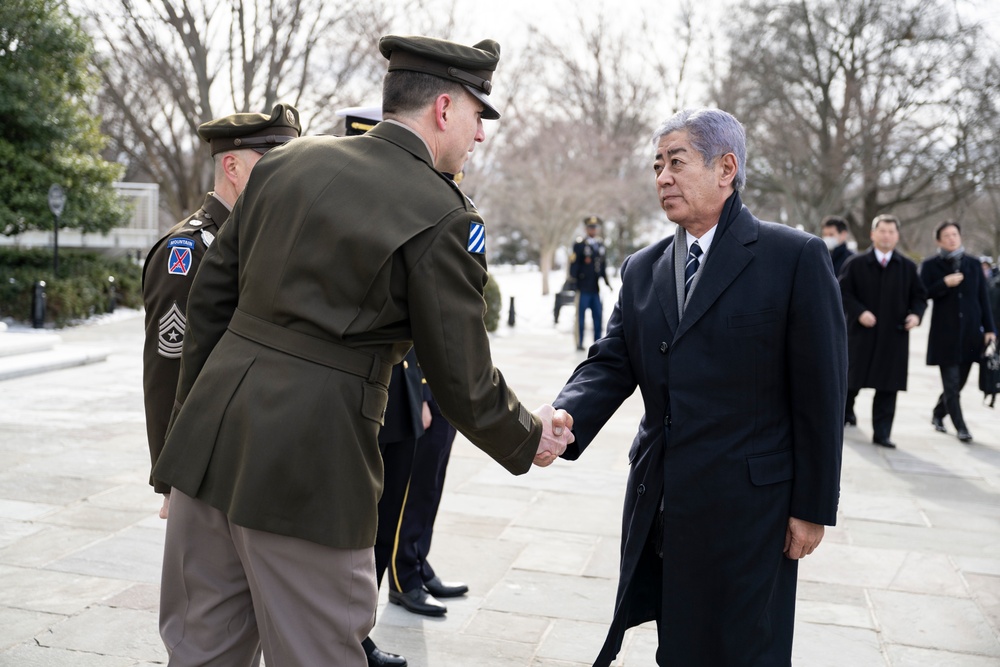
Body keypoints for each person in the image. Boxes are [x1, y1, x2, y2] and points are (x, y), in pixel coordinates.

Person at [151, 34, 572, 667]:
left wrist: (192, 430)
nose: (480, 136)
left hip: (210, 450)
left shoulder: (286, 166)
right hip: (310, 468)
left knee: (201, 653)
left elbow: (212, 301)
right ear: (445, 109)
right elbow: (461, 376)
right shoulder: (443, 211)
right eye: (479, 115)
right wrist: (526, 434)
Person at [551, 108, 847, 666]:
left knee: (744, 650)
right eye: (657, 165)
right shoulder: (644, 268)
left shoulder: (794, 259)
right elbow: (612, 362)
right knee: (680, 646)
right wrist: (565, 417)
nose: (662, 177)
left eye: (676, 162)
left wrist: (812, 507)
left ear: (726, 167)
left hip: (752, 512)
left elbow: (822, 396)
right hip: (666, 503)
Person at [141, 103, 300, 520]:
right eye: (275, 162)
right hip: (204, 460)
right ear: (232, 167)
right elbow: (166, 370)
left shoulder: (266, 239)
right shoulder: (188, 251)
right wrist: (169, 477)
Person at [839, 214, 927, 447]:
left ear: (897, 236)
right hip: (861, 335)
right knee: (851, 382)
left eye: (891, 232)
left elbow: (920, 297)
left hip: (893, 337)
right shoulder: (856, 264)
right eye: (882, 231)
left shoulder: (907, 267)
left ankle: (883, 433)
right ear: (873, 234)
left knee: (888, 388)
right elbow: (842, 292)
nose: (886, 236)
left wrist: (916, 315)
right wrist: (859, 312)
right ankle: (845, 414)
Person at [920, 221, 997, 442]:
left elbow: (983, 299)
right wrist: (944, 283)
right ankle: (961, 427)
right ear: (939, 240)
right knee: (951, 384)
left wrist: (990, 329)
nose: (952, 238)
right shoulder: (930, 265)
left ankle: (938, 413)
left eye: (955, 234)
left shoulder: (973, 264)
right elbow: (922, 294)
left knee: (959, 384)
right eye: (947, 235)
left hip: (971, 335)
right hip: (945, 335)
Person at [569, 215, 611, 350]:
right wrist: (573, 282)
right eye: (590, 227)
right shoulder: (580, 244)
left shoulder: (599, 244)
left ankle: (597, 343)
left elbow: (602, 265)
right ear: (586, 229)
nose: (593, 230)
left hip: (595, 288)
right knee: (580, 318)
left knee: (598, 317)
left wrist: (606, 282)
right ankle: (579, 342)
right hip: (583, 287)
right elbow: (574, 265)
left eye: (595, 227)